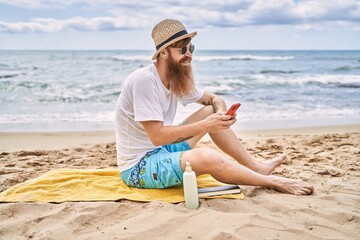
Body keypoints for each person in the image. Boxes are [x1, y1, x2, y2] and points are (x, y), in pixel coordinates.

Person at [115, 19, 314, 195]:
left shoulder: (175, 78)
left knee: (210, 112)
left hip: (162, 151)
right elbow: (157, 136)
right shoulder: (144, 81)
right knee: (207, 156)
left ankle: (257, 167)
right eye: (182, 50)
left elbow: (213, 100)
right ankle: (272, 182)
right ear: (164, 53)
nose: (189, 55)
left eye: (190, 48)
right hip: (138, 168)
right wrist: (206, 126)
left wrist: (221, 115)